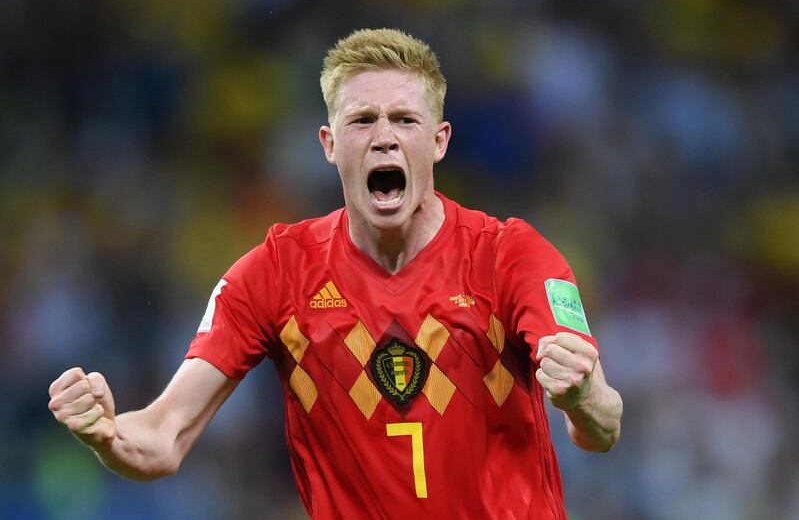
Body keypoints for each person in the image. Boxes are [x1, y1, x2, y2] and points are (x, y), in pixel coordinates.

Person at [47, 28, 622, 519]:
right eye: (362, 120)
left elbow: (603, 426)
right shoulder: (275, 272)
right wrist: (106, 435)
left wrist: (583, 393)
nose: (384, 137)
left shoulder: (512, 257)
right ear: (329, 144)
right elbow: (163, 438)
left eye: (405, 119)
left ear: (439, 141)